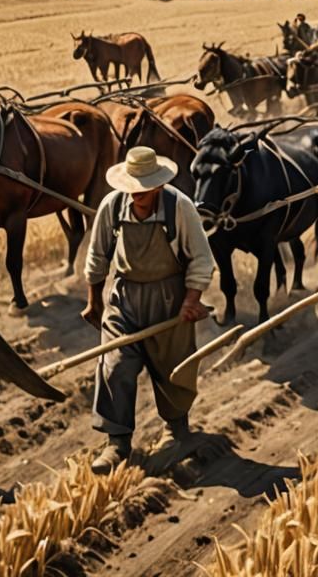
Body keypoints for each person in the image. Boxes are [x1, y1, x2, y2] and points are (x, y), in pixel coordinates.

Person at [82, 147, 216, 473]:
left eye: (144, 190)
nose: (137, 196)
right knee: (114, 366)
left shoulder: (178, 207)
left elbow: (201, 259)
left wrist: (190, 300)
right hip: (125, 297)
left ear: (157, 186)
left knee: (173, 367)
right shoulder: (112, 207)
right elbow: (97, 257)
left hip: (169, 298)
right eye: (132, 190)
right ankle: (117, 442)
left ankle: (177, 430)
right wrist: (94, 301)